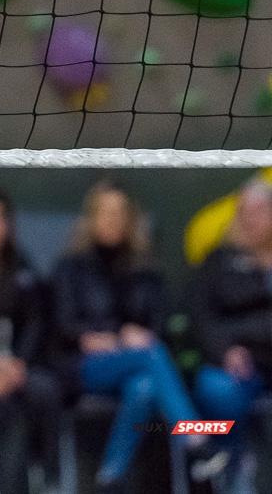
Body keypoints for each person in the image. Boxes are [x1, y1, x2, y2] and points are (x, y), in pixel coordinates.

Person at [51, 179, 219, 493]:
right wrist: (115, 337)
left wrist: (134, 337)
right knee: (149, 355)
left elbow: (160, 327)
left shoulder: (146, 271)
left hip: (137, 365)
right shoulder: (70, 267)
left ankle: (110, 479)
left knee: (143, 386)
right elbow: (63, 327)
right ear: (91, 217)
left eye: (120, 213)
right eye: (106, 212)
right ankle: (196, 441)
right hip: (83, 368)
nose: (113, 220)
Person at [0, 189, 59, 494]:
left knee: (46, 390)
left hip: (16, 369)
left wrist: (19, 362)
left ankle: (47, 477)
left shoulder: (21, 264)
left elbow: (36, 321)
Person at [191, 178, 272, 490]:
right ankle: (235, 471)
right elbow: (200, 318)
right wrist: (227, 350)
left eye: (259, 211)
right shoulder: (218, 261)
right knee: (215, 389)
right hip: (234, 365)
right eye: (244, 212)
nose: (250, 220)